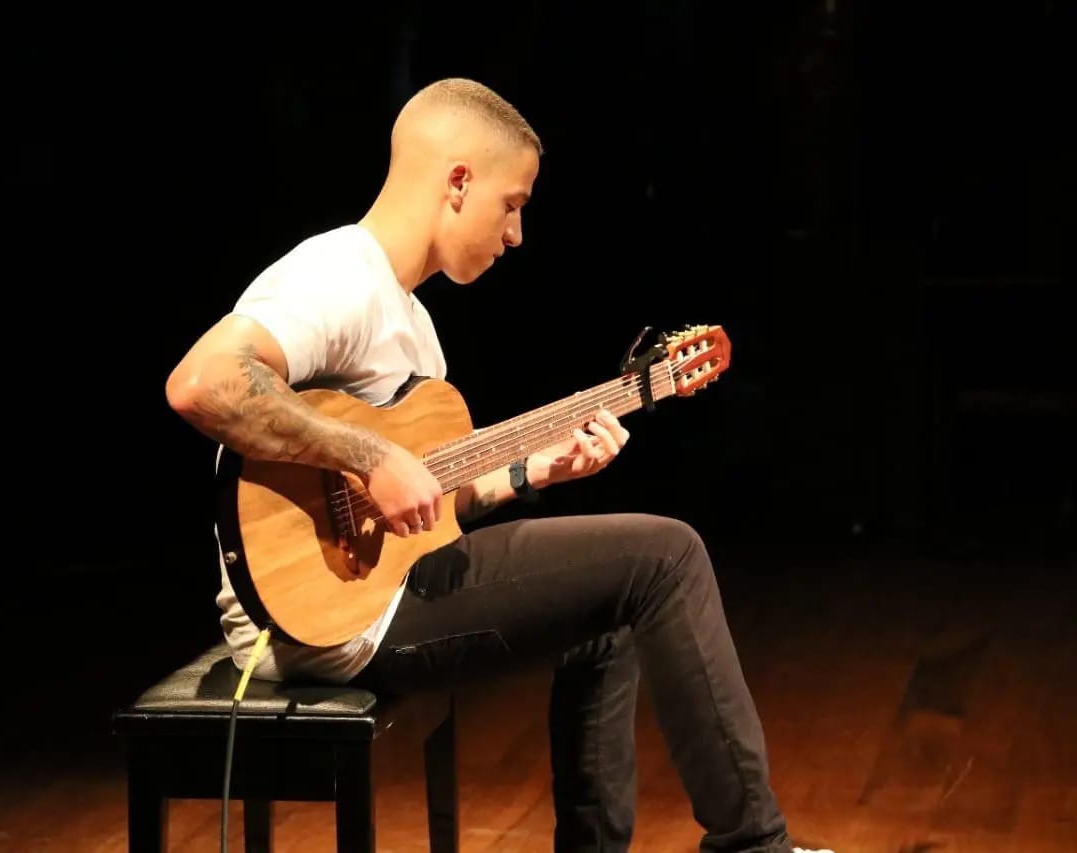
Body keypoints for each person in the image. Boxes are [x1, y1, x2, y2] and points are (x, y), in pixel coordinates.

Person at [165, 77, 832, 853]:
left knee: (612, 607)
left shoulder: (413, 324)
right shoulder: (337, 275)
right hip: (321, 619)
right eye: (511, 204)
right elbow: (202, 382)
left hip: (373, 594)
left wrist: (529, 472)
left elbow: (425, 514)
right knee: (668, 555)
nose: (515, 234)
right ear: (458, 182)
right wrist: (370, 454)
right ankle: (756, 844)